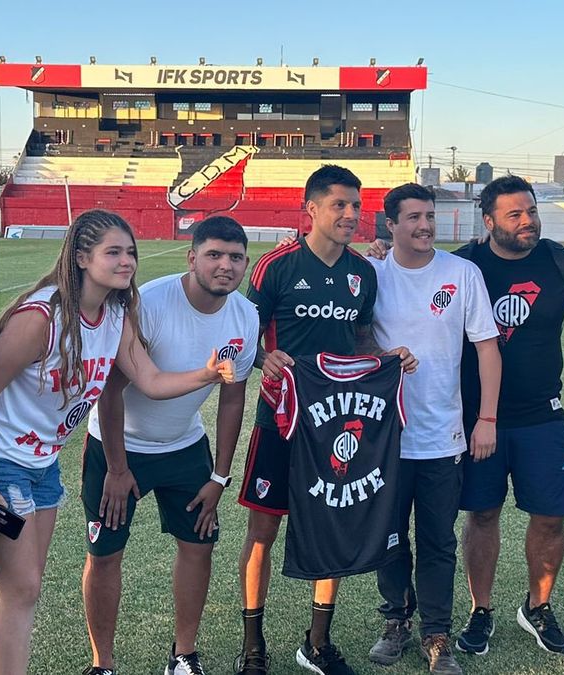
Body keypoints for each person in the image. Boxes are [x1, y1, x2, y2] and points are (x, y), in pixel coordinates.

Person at [0, 209, 233, 675]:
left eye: (131, 253)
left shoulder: (116, 315)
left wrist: (207, 373)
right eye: (113, 252)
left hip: (43, 463)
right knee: (19, 589)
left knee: (28, 587)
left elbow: (150, 378)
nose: (127, 262)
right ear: (82, 257)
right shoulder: (43, 316)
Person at [235, 165, 414, 675]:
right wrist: (260, 359)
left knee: (332, 523)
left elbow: (360, 342)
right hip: (281, 419)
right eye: (339, 205)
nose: (351, 215)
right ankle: (253, 645)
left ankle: (317, 643)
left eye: (356, 206)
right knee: (262, 532)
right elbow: (245, 334)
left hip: (335, 426)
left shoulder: (364, 273)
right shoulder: (276, 266)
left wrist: (387, 356)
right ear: (310, 208)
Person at [81, 216, 258, 675]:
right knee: (105, 555)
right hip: (118, 450)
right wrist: (118, 470)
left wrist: (220, 476)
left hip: (184, 448)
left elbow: (232, 400)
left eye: (236, 257)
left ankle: (183, 655)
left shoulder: (245, 315)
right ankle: (103, 663)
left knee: (198, 547)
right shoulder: (151, 302)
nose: (225, 266)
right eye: (214, 255)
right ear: (192, 256)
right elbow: (110, 391)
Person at [451, 176, 564, 658]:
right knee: (482, 513)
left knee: (549, 516)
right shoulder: (463, 265)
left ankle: (537, 606)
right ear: (489, 221)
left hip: (543, 416)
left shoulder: (560, 261)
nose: (528, 222)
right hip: (478, 419)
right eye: (514, 215)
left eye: (531, 212)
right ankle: (480, 610)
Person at [364, 183, 501, 675]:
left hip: (444, 435)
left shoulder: (462, 273)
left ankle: (437, 634)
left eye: (430, 216)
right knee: (390, 536)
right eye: (414, 217)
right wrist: (382, 359)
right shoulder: (373, 273)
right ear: (391, 224)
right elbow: (355, 341)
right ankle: (396, 620)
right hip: (385, 436)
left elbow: (487, 347)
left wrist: (486, 419)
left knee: (439, 539)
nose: (425, 226)